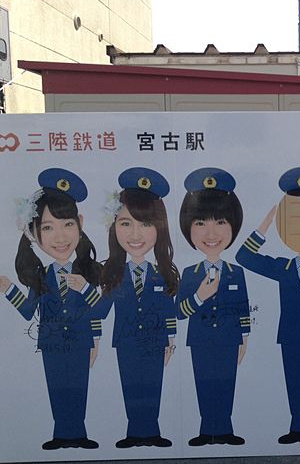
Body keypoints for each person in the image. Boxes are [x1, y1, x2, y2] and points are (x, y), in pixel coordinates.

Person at [236, 167, 300, 444]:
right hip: (292, 334)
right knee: (295, 381)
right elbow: (244, 257)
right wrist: (265, 225)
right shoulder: (282, 268)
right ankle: (298, 428)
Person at [0, 168, 102, 450]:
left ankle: (78, 434)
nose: (60, 237)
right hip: (51, 342)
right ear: (33, 233)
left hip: (81, 340)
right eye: (47, 228)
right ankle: (61, 435)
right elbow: (28, 310)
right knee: (57, 387)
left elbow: (96, 310)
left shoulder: (86, 273)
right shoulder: (41, 276)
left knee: (79, 387)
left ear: (80, 224)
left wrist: (95, 338)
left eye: (67, 224)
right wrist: (8, 289)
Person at [96, 167, 179, 448]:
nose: (135, 234)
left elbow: (169, 309)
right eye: (126, 223)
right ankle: (134, 432)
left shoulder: (162, 273)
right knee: (131, 384)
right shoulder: (113, 273)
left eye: (146, 224)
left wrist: (171, 339)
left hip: (156, 340)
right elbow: (101, 310)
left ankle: (151, 432)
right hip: (126, 340)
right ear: (113, 227)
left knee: (153, 384)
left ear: (159, 229)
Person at [176, 168, 250, 446]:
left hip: (230, 337)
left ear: (233, 225)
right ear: (188, 227)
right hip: (200, 338)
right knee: (204, 383)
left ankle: (225, 430)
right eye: (200, 223)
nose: (211, 233)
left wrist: (244, 337)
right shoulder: (189, 274)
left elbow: (243, 307)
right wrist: (199, 296)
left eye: (220, 222)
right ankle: (207, 430)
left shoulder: (236, 272)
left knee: (226, 383)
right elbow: (179, 312)